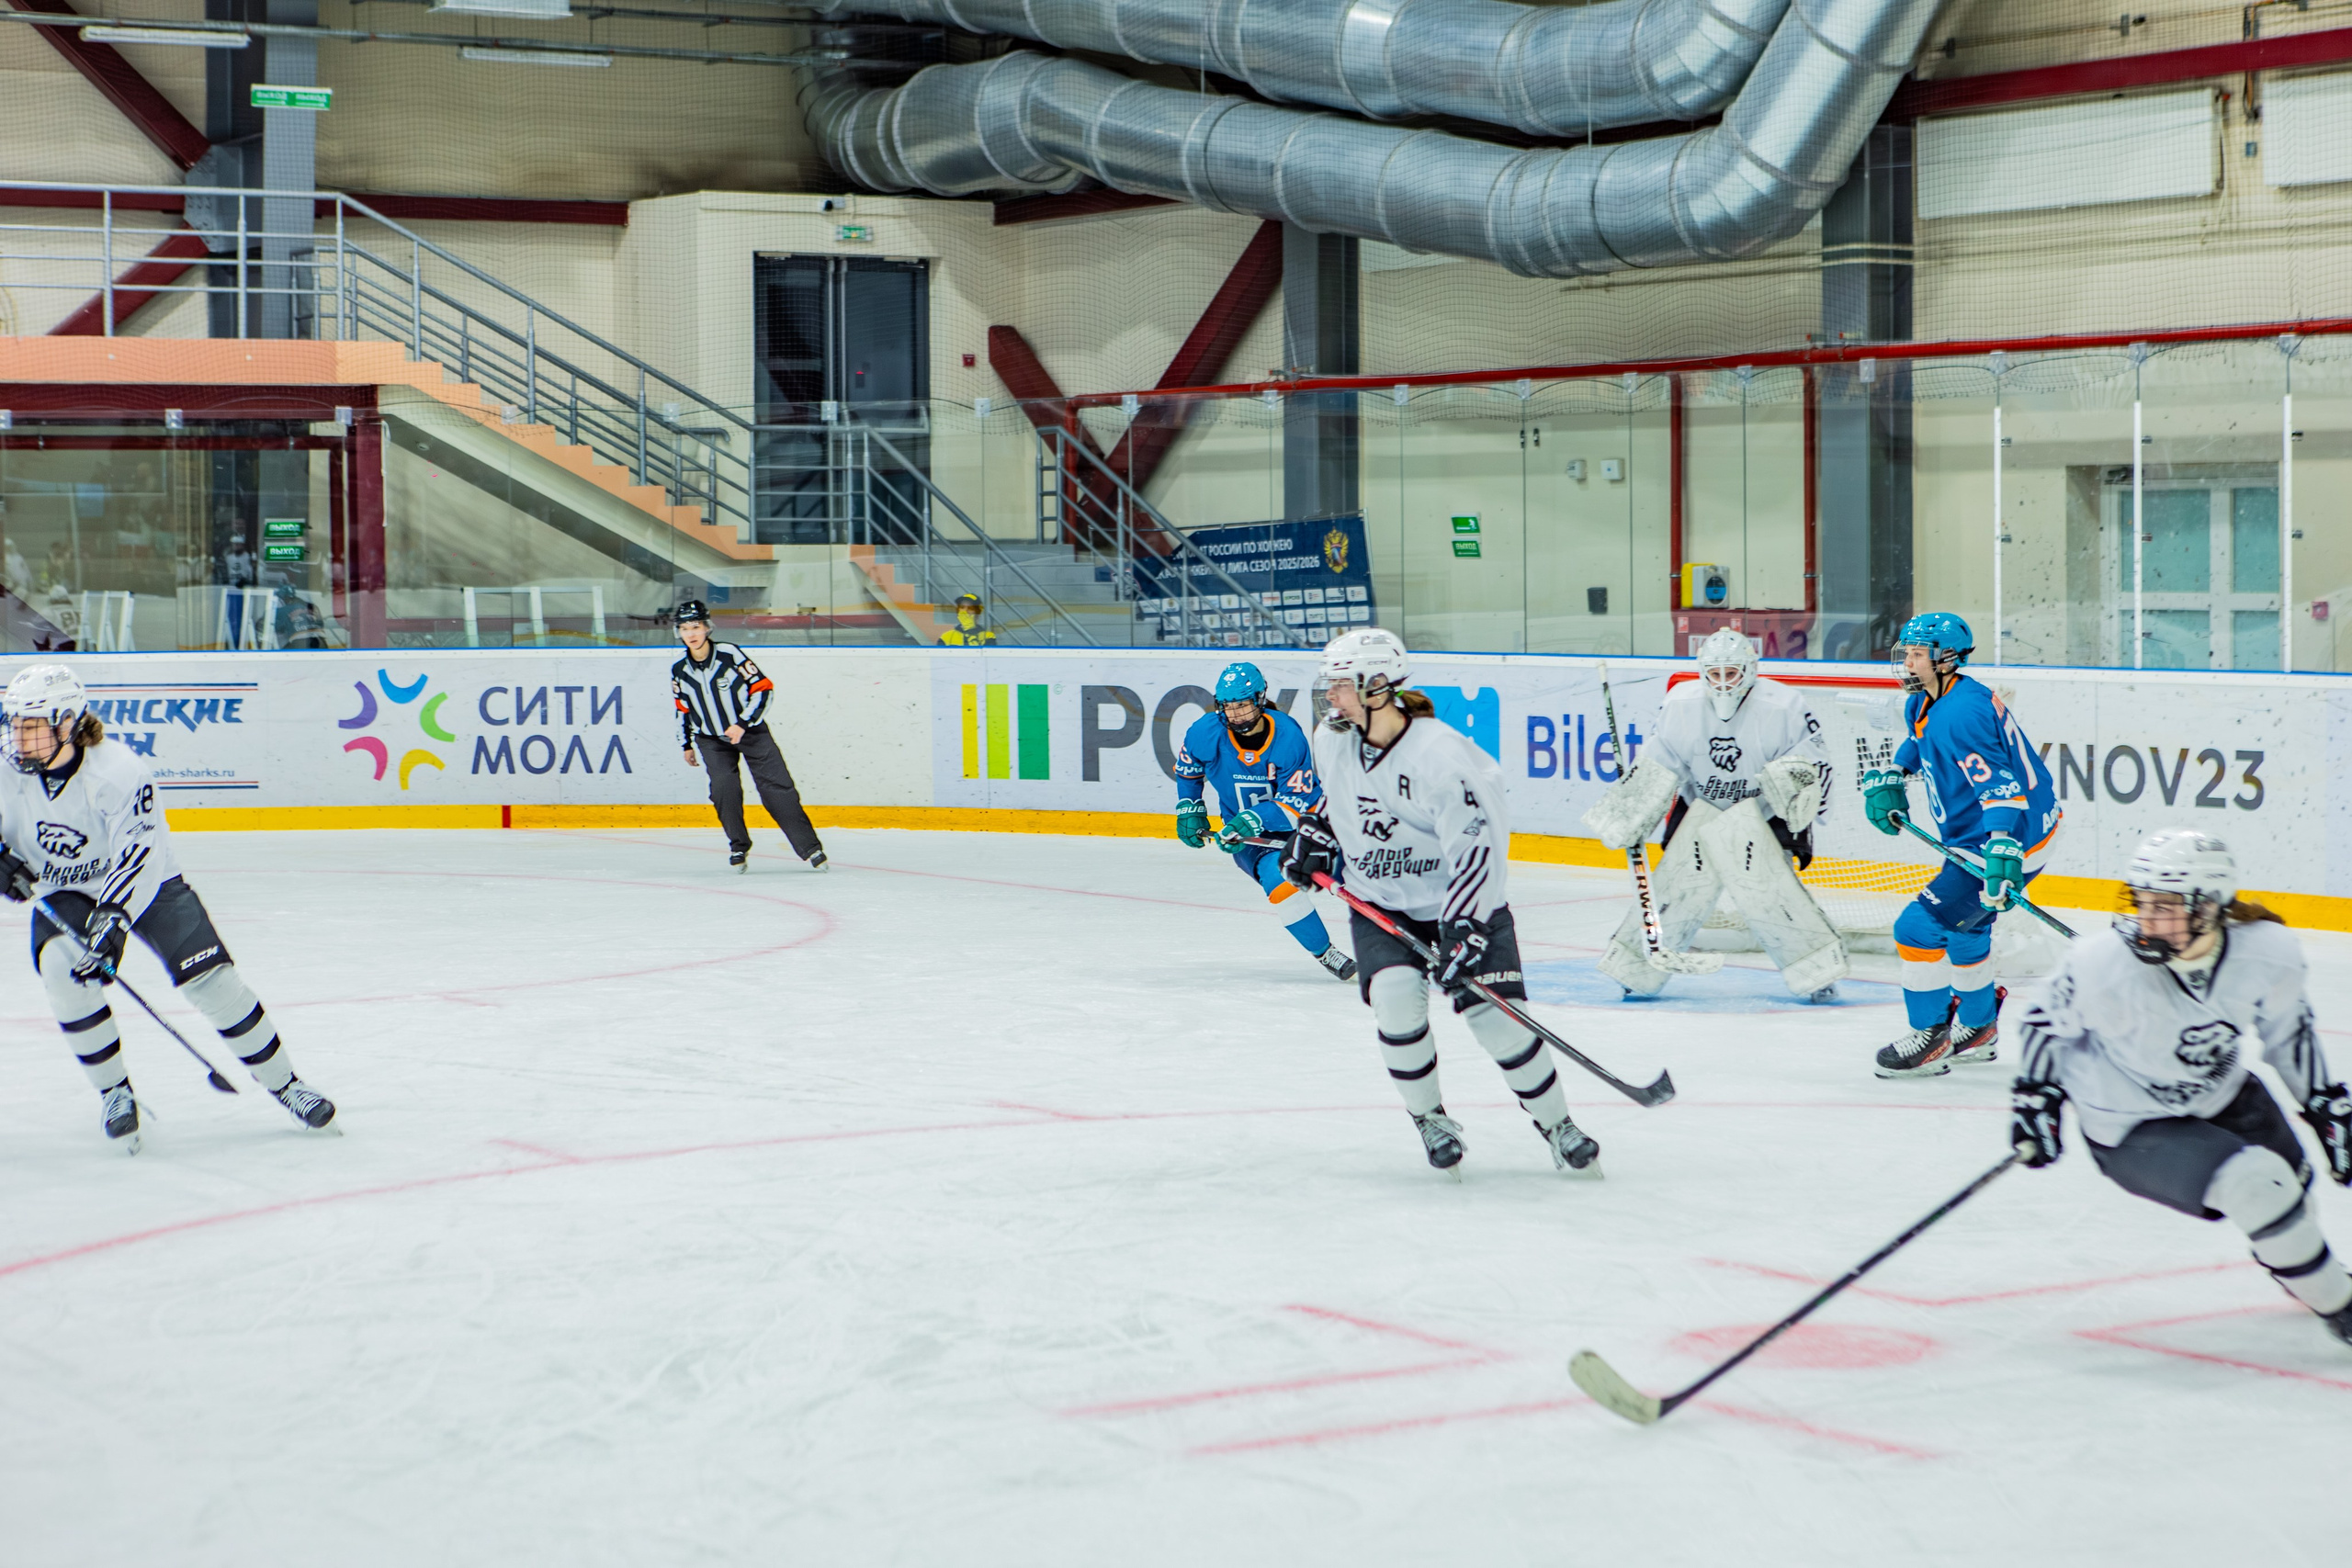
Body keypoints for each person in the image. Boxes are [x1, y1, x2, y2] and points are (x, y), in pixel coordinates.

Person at [2010, 829, 2352, 1347]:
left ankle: (2303, 1271)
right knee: (2257, 1184)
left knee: (2293, 1198)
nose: (2147, 918)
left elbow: (2289, 1036)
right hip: (2130, 1123)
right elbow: (2042, 1023)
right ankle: (2343, 1304)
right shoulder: (2102, 964)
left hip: (2225, 1093)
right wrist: (2036, 1097)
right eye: (2142, 902)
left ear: (2211, 907)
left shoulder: (2268, 952)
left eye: (2166, 906)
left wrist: (2326, 1105)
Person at [1282, 628, 1600, 1178]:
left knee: (1498, 1022)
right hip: (1383, 901)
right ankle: (1429, 1118)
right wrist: (1316, 834)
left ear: (1377, 685)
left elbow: (1479, 846)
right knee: (1395, 997)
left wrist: (1466, 928)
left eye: (1340, 684)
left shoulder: (1440, 756)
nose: (1329, 696)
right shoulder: (1331, 738)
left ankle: (1557, 1125)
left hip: (1464, 905)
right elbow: (1342, 804)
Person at [0, 664, 334, 1152]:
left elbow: (139, 853)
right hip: (64, 892)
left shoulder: (119, 771)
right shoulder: (7, 769)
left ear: (68, 722)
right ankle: (115, 1093)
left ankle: (287, 1085)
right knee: (60, 970)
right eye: (14, 723)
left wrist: (113, 919)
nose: (19, 737)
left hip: (148, 885)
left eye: (31, 725)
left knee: (214, 981)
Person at [1583, 627, 1845, 1001]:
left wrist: (1800, 804)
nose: (1722, 683)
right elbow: (1660, 764)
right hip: (1701, 805)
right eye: (1714, 674)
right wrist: (1634, 810)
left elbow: (1814, 766)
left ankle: (1816, 972)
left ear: (1750, 670)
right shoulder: (1681, 704)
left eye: (1731, 674)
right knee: (1677, 887)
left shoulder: (1784, 706)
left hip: (1766, 810)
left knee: (1772, 894)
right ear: (1702, 671)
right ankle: (1635, 968)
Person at [1862, 611, 2061, 1077]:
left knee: (1917, 927)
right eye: (1906, 654)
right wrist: (1897, 772)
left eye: (1917, 655)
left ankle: (1930, 1038)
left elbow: (2001, 787)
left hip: (2009, 836)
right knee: (1966, 930)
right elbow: (1919, 738)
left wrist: (2001, 846)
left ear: (1946, 659)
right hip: (1998, 832)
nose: (1908, 664)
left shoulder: (1962, 713)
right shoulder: (1928, 699)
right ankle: (1977, 1027)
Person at [1171, 661, 1354, 982]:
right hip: (1248, 841)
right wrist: (1189, 806)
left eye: (1242, 704)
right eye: (1228, 706)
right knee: (1280, 884)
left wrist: (1255, 818)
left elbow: (1298, 799)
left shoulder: (1286, 735)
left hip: (1299, 827)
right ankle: (1326, 953)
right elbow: (1188, 771)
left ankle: (1407, 933)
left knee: (1354, 873)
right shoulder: (1204, 732)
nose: (1235, 714)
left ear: (1259, 699)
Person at [672, 600, 828, 874]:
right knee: (723, 790)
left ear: (707, 627)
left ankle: (810, 848)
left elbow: (763, 688)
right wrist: (686, 744)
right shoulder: (679, 671)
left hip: (751, 732)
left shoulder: (729, 654)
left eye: (695, 626)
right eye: (684, 628)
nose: (691, 633)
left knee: (777, 789)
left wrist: (743, 723)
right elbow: (683, 709)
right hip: (711, 740)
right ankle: (738, 846)